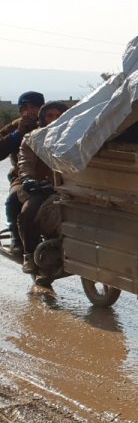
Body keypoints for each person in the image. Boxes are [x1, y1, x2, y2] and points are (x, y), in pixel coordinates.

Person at [17, 101, 67, 287]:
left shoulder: (75, 135)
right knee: (27, 213)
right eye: (50, 116)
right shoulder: (32, 138)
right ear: (42, 118)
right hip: (40, 187)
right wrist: (29, 180)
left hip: (69, 188)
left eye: (59, 115)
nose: (54, 119)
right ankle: (29, 255)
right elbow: (25, 163)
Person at [1, 91, 43, 255]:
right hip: (22, 176)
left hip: (53, 176)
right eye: (25, 107)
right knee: (13, 200)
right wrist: (17, 134)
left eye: (35, 107)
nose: (30, 111)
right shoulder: (15, 126)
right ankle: (16, 237)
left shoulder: (50, 122)